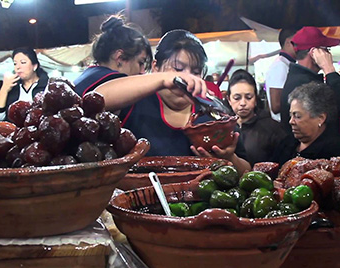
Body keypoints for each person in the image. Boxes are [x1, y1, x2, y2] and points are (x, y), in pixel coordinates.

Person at [96, 29, 251, 175]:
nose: (187, 78)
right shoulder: (134, 100)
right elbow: (97, 98)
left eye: (195, 72)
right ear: (156, 67)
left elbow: (247, 171)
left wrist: (229, 158)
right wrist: (165, 79)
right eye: (178, 69)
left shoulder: (213, 113)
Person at [280, 26, 340, 134]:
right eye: (326, 49)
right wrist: (329, 69)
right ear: (314, 52)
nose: (328, 54)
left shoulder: (298, 77)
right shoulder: (306, 84)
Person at [272, 82, 340, 166]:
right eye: (291, 115)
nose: (291, 121)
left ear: (320, 118)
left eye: (297, 116)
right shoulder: (287, 143)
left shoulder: (337, 150)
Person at [73, 15, 152, 97]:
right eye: (140, 62)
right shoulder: (112, 82)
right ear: (120, 58)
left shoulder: (84, 77)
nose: (142, 71)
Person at [227, 69, 287, 166]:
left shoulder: (273, 128)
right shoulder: (222, 128)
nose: (243, 103)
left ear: (255, 98)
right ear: (229, 100)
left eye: (248, 97)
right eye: (237, 98)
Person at [0, 47, 49, 121]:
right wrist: (4, 88)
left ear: (35, 66)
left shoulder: (46, 87)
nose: (18, 67)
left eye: (23, 62)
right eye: (15, 63)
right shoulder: (13, 87)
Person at [265, 28, 297, 122]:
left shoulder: (285, 64)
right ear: (288, 42)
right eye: (297, 42)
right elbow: (276, 105)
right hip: (281, 125)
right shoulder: (280, 66)